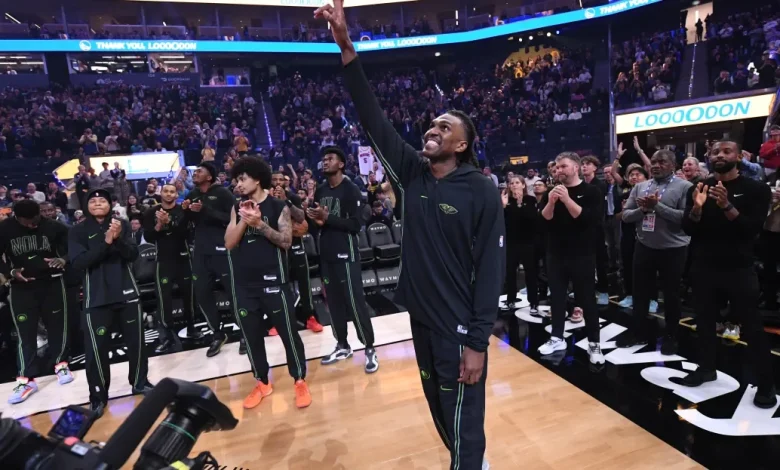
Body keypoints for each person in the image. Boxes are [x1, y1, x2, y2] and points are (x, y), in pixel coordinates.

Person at [317, 1, 505, 466]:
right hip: (420, 319)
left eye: (444, 127)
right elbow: (371, 117)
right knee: (442, 411)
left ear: (462, 145)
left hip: (459, 326)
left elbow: (491, 270)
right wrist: (346, 46)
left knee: (464, 419)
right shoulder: (412, 175)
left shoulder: (480, 189)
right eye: (431, 123)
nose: (432, 129)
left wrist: (479, 341)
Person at [676, 140, 776, 408]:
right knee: (705, 322)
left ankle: (766, 385)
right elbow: (688, 228)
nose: (719, 155)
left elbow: (751, 230)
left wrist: (726, 206)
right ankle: (706, 368)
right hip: (704, 266)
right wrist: (696, 208)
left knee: (752, 328)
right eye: (715, 152)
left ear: (739, 157)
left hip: (739, 268)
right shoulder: (700, 187)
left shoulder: (756, 188)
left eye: (726, 151)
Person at [225, 156, 312, 410]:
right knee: (252, 337)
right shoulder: (236, 206)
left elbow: (286, 241)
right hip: (244, 285)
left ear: (257, 179)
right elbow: (229, 243)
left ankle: (299, 379)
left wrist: (260, 224)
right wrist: (244, 219)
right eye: (237, 180)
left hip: (275, 281)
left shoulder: (277, 206)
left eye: (243, 179)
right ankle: (262, 382)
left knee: (288, 333)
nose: (238, 184)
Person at [68, 188, 153, 417]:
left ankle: (139, 382)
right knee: (96, 350)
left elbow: (132, 254)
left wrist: (116, 240)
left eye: (102, 200)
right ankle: (97, 396)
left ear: (110, 204)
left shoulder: (122, 224)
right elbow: (79, 262)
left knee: (136, 343)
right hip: (96, 298)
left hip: (127, 293)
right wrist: (106, 242)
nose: (97, 203)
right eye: (93, 200)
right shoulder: (77, 232)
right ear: (86, 206)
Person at [306, 147, 378, 373]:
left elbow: (356, 226)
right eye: (323, 159)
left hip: (346, 253)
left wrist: (328, 218)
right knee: (334, 303)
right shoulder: (321, 190)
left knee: (355, 301)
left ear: (341, 164)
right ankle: (343, 345)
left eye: (330, 159)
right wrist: (316, 221)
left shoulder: (351, 190)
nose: (325, 162)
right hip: (326, 253)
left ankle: (369, 347)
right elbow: (319, 223)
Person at [618, 150, 692, 354]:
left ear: (673, 164)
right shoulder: (640, 186)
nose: (656, 165)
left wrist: (656, 207)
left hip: (674, 249)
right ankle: (638, 331)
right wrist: (643, 210)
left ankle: (671, 335)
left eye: (662, 162)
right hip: (644, 246)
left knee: (671, 295)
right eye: (653, 162)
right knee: (640, 292)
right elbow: (626, 216)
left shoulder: (685, 186)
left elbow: (685, 219)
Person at [0, 200, 73, 405]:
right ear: (17, 217)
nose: (33, 225)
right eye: (28, 222)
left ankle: (61, 364)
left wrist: (65, 259)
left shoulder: (53, 226)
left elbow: (75, 246)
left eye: (36, 221)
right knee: (26, 335)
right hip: (21, 288)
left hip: (51, 284)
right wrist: (10, 272)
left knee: (57, 328)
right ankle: (26, 379)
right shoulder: (4, 229)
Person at [538, 153, 604, 365]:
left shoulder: (592, 191)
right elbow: (545, 219)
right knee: (557, 298)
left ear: (576, 167)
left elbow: (586, 219)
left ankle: (594, 343)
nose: (559, 170)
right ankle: (557, 337)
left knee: (587, 300)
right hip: (556, 253)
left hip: (582, 254)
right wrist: (551, 201)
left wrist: (566, 199)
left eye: (563, 166)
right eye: (556, 167)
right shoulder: (552, 191)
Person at [183, 162, 238, 358]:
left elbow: (234, 217)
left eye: (199, 171)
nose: (195, 173)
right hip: (201, 251)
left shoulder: (222, 193)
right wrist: (187, 211)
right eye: (195, 171)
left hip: (222, 249)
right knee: (202, 293)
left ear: (210, 176)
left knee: (233, 291)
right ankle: (217, 333)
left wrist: (206, 210)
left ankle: (244, 333)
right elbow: (188, 221)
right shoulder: (192, 195)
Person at [143, 183, 201, 354]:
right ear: (161, 193)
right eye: (166, 191)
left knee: (189, 297)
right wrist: (159, 225)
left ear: (177, 194)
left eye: (172, 192)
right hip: (163, 260)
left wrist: (172, 223)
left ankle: (191, 328)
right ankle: (166, 337)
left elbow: (188, 234)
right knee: (164, 300)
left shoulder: (183, 210)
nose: (168, 194)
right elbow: (148, 237)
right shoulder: (150, 213)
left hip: (183, 258)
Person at [272, 171, 322, 334]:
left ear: (286, 182)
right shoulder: (265, 199)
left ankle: (310, 317)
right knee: (280, 284)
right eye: (275, 179)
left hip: (296, 244)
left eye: (281, 179)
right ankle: (279, 321)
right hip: (277, 245)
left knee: (304, 282)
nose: (278, 182)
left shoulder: (292, 197)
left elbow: (301, 218)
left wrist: (285, 201)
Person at [500, 176, 540, 313]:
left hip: (528, 242)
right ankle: (510, 300)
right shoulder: (506, 201)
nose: (514, 185)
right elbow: (504, 223)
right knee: (510, 273)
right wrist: (503, 207)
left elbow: (532, 220)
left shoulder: (531, 200)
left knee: (531, 273)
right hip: (511, 243)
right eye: (511, 183)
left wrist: (520, 202)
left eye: (517, 182)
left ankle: (534, 303)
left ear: (523, 185)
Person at [616, 164, 647, 308]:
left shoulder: (652, 192)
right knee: (627, 265)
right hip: (628, 234)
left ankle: (651, 298)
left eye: (638, 174)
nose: (634, 177)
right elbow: (617, 217)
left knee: (647, 268)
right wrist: (624, 211)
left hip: (648, 235)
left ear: (646, 178)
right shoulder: (623, 195)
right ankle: (629, 295)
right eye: (631, 175)